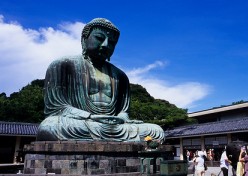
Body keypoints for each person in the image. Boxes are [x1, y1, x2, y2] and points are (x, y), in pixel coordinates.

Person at [36, 18, 164, 142]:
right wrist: (90, 116)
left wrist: (120, 118)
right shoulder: (63, 65)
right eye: (99, 38)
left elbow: (123, 111)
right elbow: (56, 108)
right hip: (82, 123)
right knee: (49, 126)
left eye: (112, 42)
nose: (106, 45)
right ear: (84, 39)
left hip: (114, 126)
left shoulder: (120, 76)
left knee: (155, 131)